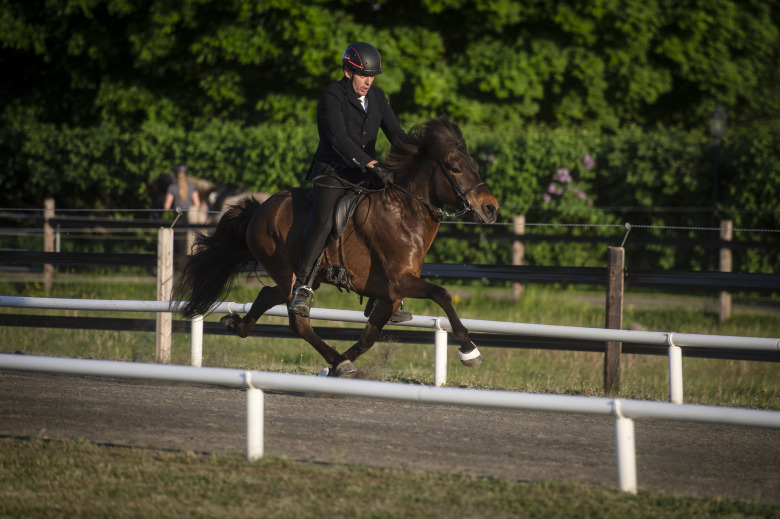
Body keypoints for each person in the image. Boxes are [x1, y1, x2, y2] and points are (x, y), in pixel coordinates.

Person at [289, 42, 411, 323]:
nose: (368, 81)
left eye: (372, 76)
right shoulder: (332, 96)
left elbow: (396, 134)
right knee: (324, 219)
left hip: (366, 173)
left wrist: (417, 153)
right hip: (333, 171)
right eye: (362, 75)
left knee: (388, 217)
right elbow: (339, 139)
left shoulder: (378, 96)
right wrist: (369, 162)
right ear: (348, 71)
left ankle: (381, 294)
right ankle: (303, 286)